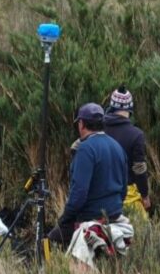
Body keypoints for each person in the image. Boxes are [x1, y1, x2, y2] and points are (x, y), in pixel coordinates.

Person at [48, 103, 128, 247]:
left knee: (51, 241)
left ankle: (60, 268)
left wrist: (65, 218)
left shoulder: (85, 150)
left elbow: (79, 194)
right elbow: (124, 190)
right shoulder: (117, 147)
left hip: (91, 216)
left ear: (81, 124)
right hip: (115, 214)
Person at [103, 85, 150, 218]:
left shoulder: (99, 129)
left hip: (101, 196)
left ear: (112, 106)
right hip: (128, 197)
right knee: (139, 234)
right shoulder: (136, 135)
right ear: (130, 108)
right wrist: (145, 195)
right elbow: (139, 169)